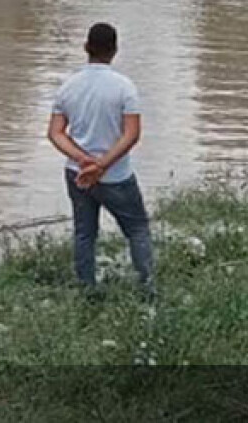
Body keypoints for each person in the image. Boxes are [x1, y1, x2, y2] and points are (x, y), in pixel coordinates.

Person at [47, 23, 153, 292]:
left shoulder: (68, 86)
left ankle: (86, 290)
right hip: (116, 176)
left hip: (77, 174)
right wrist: (101, 165)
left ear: (86, 48)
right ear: (115, 50)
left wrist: (83, 161)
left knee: (84, 233)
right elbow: (131, 134)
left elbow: (55, 133)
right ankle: (147, 288)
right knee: (137, 229)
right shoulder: (124, 87)